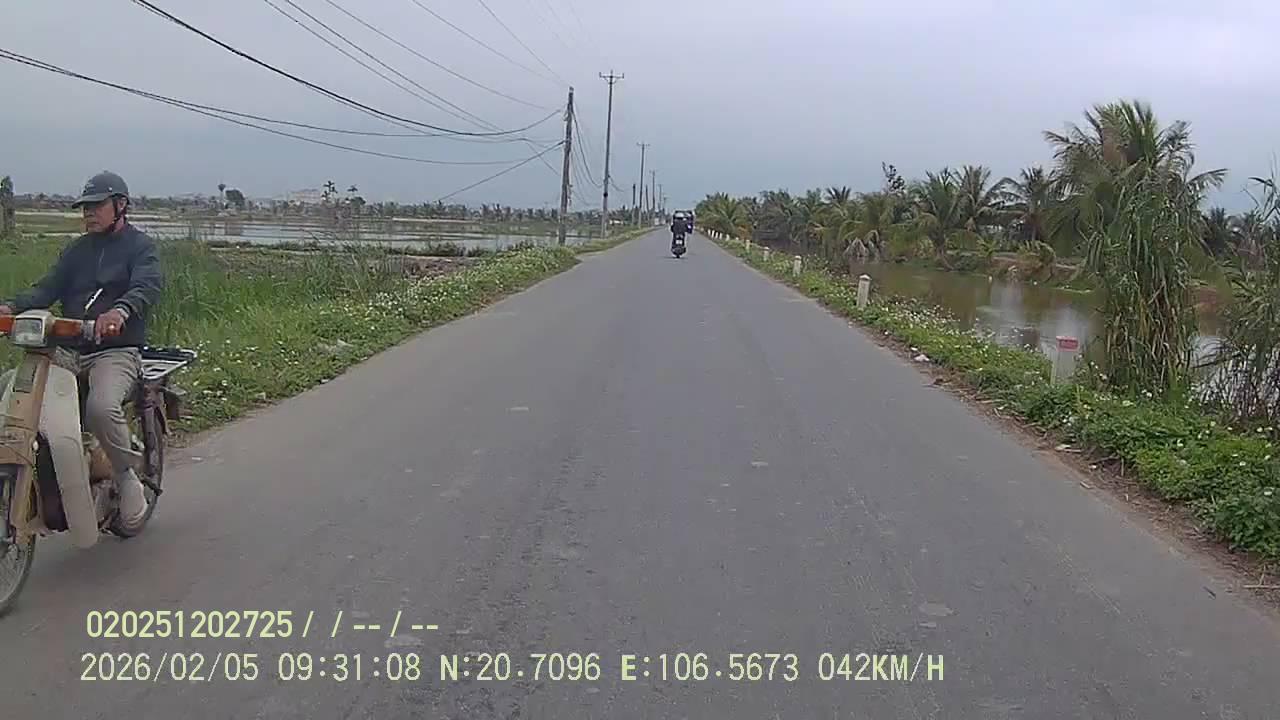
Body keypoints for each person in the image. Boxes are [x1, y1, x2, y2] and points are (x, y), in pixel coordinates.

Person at [0, 171, 163, 525]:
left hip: (115, 350)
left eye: (97, 205)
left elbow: (146, 286)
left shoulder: (140, 247)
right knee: (11, 389)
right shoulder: (77, 251)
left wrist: (120, 310)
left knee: (101, 408)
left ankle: (126, 476)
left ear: (120, 205)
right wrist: (10, 307)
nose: (89, 213)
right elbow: (47, 289)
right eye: (85, 207)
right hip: (69, 350)